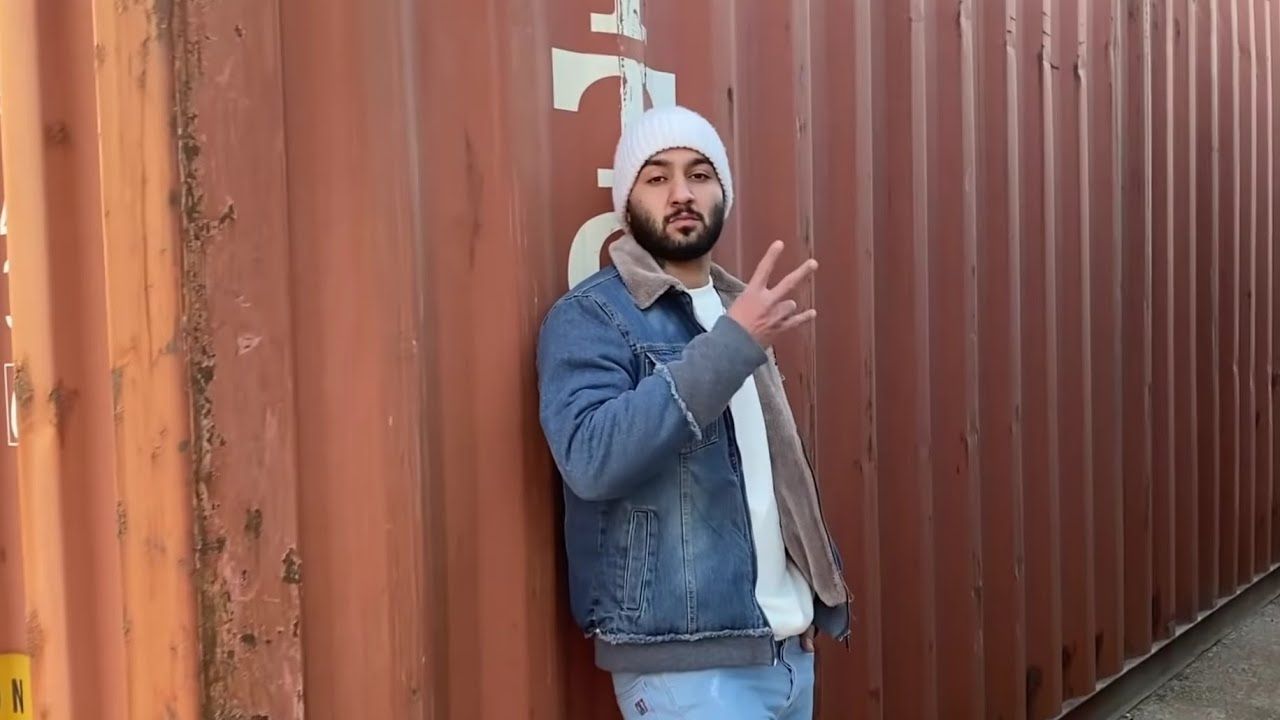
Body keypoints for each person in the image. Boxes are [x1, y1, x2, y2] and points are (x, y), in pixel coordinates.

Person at [536, 105, 850, 719]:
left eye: (700, 175)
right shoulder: (591, 317)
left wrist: (805, 596)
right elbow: (590, 458)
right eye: (657, 177)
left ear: (722, 194)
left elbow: (767, 476)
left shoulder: (737, 307)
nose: (681, 192)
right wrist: (731, 346)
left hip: (783, 652)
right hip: (686, 670)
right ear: (627, 205)